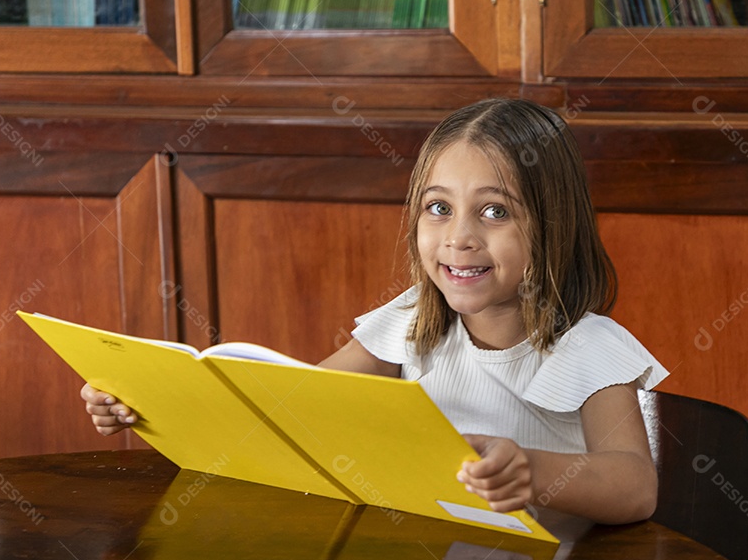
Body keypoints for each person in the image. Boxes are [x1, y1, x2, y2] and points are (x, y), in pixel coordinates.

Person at [82, 98, 668, 525]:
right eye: (439, 207)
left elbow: (635, 485)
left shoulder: (589, 347)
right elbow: (294, 404)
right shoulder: (414, 320)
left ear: (554, 226)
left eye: (494, 213)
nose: (458, 238)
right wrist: (151, 399)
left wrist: (533, 472)